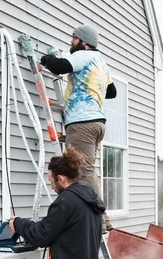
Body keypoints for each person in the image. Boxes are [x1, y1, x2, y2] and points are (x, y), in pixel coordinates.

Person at [39, 24, 117, 232]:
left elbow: (59, 66)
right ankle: (102, 217)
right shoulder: (101, 63)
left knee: (82, 171)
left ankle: (98, 219)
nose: (71, 42)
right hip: (97, 122)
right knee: (88, 170)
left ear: (84, 42)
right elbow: (112, 92)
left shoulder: (83, 55)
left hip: (82, 122)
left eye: (73, 38)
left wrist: (46, 59)